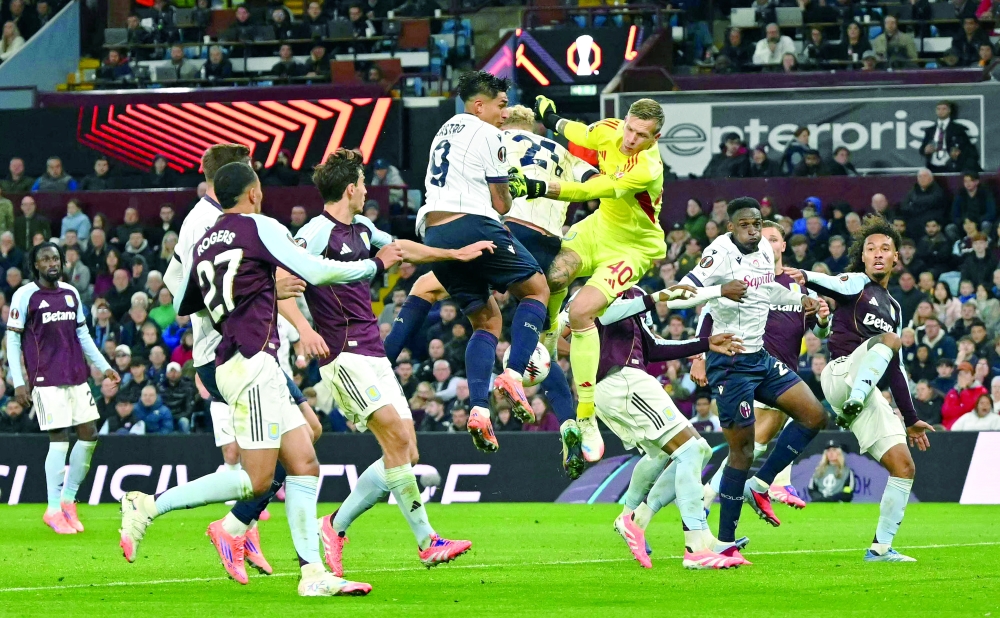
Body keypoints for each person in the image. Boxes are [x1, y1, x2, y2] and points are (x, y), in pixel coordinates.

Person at [125, 161, 373, 597]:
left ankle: (312, 574)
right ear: (254, 193)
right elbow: (315, 271)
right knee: (255, 480)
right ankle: (148, 504)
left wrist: (258, 288)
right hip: (250, 361)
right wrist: (367, 267)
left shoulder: (206, 240)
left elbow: (183, 303)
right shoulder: (259, 225)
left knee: (304, 461)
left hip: (244, 359)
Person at [292, 149, 482, 574]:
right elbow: (283, 280)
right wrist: (304, 329)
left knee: (407, 452)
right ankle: (427, 541)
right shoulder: (316, 232)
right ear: (350, 189)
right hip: (343, 354)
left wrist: (454, 254)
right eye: (362, 183)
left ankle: (334, 526)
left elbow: (399, 249)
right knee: (396, 439)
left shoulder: (361, 228)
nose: (367, 189)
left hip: (373, 352)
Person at [160, 144, 324, 584]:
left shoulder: (218, 221)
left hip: (248, 346)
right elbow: (186, 294)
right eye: (250, 172)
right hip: (230, 350)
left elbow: (188, 286)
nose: (256, 184)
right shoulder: (206, 223)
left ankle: (243, 528)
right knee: (254, 465)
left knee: (306, 438)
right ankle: (211, 521)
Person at [382, 104, 595, 436]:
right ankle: (570, 422)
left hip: (502, 231)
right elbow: (596, 183)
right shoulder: (562, 153)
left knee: (429, 289)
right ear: (535, 128)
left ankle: (383, 368)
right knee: (538, 341)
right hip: (546, 242)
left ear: (504, 123)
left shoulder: (492, 139)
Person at [393, 73, 548, 455]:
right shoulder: (490, 134)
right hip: (473, 223)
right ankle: (513, 374)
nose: (504, 113)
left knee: (487, 320)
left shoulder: (444, 130)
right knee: (537, 290)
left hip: (434, 231)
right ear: (480, 105)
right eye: (500, 104)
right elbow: (501, 203)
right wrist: (512, 190)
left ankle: (479, 408)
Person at [678, 197, 829, 564]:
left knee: (814, 415)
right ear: (731, 227)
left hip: (759, 358)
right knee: (742, 452)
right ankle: (725, 543)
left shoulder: (763, 250)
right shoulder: (718, 254)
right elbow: (679, 296)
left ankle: (761, 485)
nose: (752, 230)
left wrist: (797, 300)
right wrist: (718, 290)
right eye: (744, 224)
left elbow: (767, 290)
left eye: (757, 223)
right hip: (729, 364)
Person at [531, 94, 667, 476]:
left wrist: (540, 187)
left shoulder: (647, 167)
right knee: (554, 276)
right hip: (598, 229)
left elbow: (590, 191)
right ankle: (546, 339)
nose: (631, 139)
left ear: (655, 138)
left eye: (642, 135)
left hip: (633, 247)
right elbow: (582, 133)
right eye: (630, 129)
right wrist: (552, 119)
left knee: (581, 313)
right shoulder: (611, 130)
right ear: (624, 122)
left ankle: (587, 413)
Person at [563, 284, 744, 569]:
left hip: (629, 380)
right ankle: (695, 547)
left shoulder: (634, 292)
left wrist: (705, 343)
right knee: (691, 451)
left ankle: (636, 520)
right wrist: (585, 360)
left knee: (692, 451)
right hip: (620, 380)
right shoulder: (595, 291)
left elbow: (653, 346)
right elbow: (579, 326)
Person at [786, 215, 934, 562]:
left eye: (885, 249)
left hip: (865, 391)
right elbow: (829, 282)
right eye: (871, 249)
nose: (878, 254)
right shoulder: (856, 283)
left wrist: (910, 418)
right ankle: (854, 399)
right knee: (889, 341)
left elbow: (896, 367)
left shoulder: (894, 308)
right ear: (863, 257)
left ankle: (880, 548)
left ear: (896, 257)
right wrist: (805, 275)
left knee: (904, 467)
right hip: (840, 375)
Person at [699, 219, 831, 511]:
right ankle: (768, 484)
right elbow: (710, 312)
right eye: (763, 240)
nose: (767, 245)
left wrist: (823, 319)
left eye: (773, 240)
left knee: (757, 443)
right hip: (752, 370)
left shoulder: (798, 285)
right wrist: (699, 356)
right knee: (755, 442)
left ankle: (721, 493)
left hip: (783, 375)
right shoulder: (746, 277)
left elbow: (820, 333)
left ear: (783, 245)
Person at [6, 242, 121, 534]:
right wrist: (19, 381)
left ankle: (69, 500)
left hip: (77, 375)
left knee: (90, 435)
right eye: (45, 259)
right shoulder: (25, 295)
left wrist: (104, 366)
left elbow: (83, 334)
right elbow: (13, 340)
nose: (52, 263)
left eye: (55, 258)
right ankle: (53, 509)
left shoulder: (71, 293)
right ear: (36, 265)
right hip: (45, 379)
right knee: (59, 440)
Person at [920, 101, 970, 173]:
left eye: (944, 109)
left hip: (951, 165)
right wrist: (925, 150)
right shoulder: (930, 130)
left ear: (949, 110)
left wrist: (958, 152)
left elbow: (966, 147)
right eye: (938, 109)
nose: (941, 111)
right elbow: (922, 149)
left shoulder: (957, 129)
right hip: (932, 166)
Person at [941, 361, 987, 429]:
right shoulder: (952, 392)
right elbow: (945, 412)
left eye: (966, 373)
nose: (962, 376)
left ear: (973, 376)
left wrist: (964, 390)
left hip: (970, 428)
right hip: (949, 428)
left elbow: (971, 409)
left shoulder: (981, 391)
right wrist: (961, 409)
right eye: (960, 374)